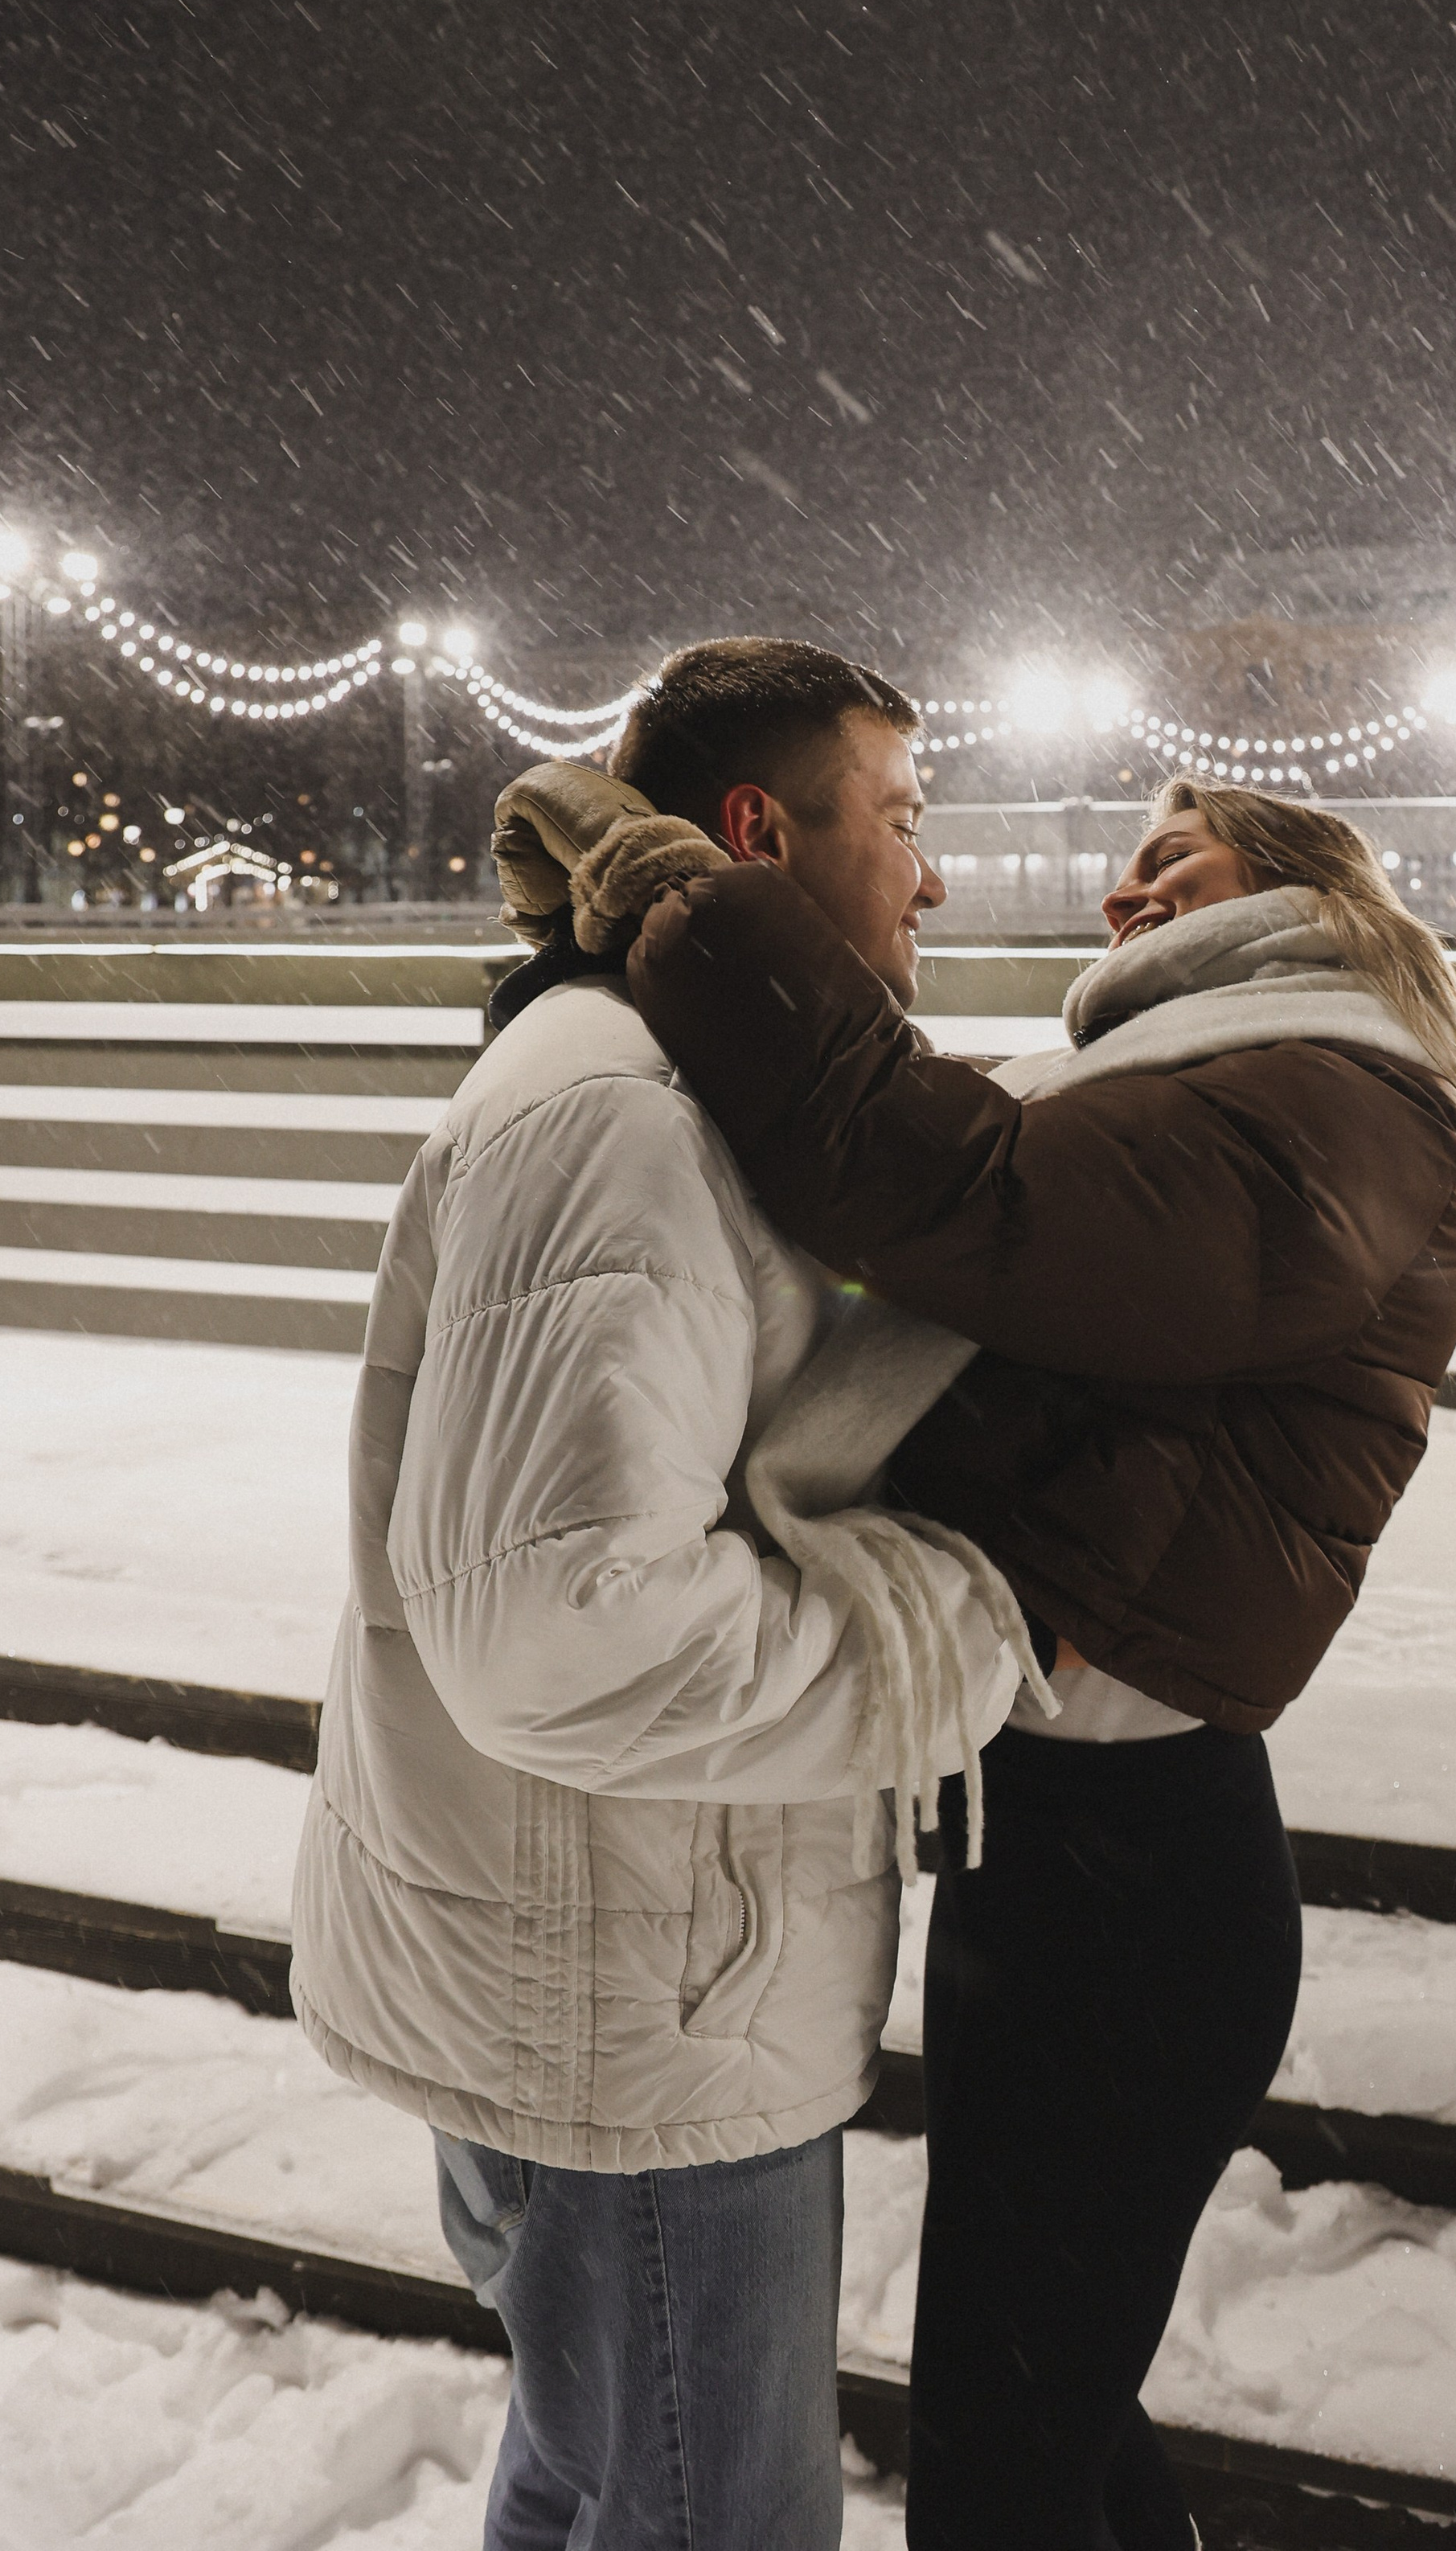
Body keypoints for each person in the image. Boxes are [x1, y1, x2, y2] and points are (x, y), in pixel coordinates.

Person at [579, 774, 1456, 2551]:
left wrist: (698, 908)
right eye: (1124, 863)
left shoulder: (1336, 1096)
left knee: (1007, 2474)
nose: (1123, 893)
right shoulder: (1239, 1085)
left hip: (1135, 1888)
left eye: (1173, 857)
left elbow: (969, 1197)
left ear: (1306, 883)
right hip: (1064, 1857)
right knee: (1050, 2443)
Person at [289, 638, 1038, 2551]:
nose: (931, 876)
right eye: (901, 820)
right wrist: (946, 1632)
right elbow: (565, 1623)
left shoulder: (664, 1074)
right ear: (755, 830)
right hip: (633, 2019)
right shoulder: (621, 1105)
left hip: (630, 1973)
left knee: (587, 2478)